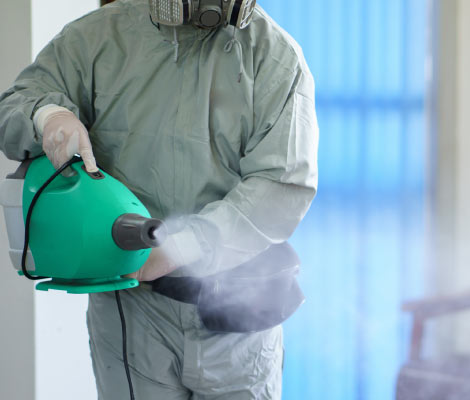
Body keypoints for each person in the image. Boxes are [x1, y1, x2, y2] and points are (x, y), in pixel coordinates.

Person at [0, 0, 318, 398]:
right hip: (132, 312)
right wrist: (47, 115)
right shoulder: (97, 39)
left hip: (237, 311)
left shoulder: (274, 57)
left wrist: (185, 245)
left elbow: (282, 185)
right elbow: (15, 102)